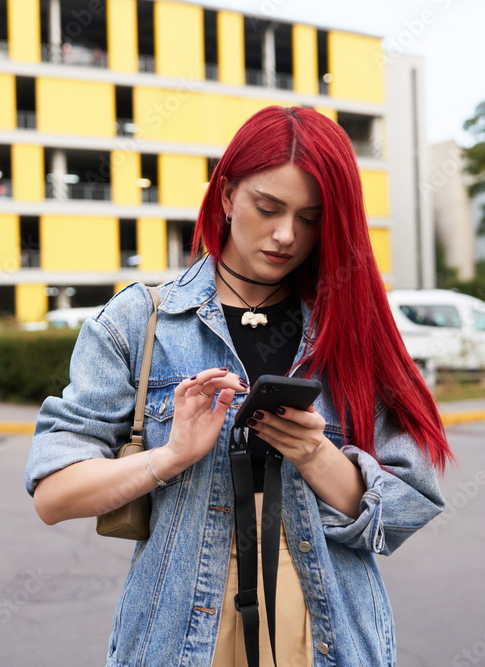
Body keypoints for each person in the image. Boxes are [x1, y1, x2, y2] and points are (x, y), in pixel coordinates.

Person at [25, 105, 453, 667]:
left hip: (326, 627)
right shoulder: (140, 320)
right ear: (226, 196)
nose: (285, 235)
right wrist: (170, 456)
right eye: (268, 207)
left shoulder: (348, 326)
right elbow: (54, 496)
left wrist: (313, 450)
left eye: (310, 218)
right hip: (180, 628)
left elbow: (408, 506)